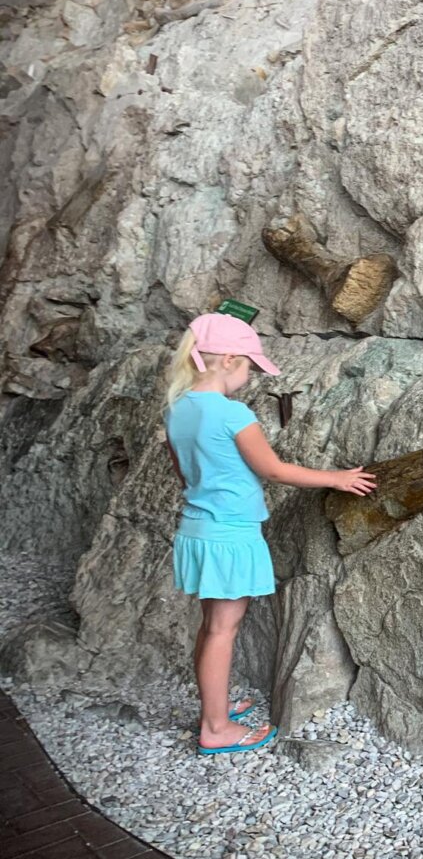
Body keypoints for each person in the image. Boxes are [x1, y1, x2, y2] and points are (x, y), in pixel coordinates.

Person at [163, 313, 376, 755]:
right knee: (224, 629)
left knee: (212, 626)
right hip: (230, 534)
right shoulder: (231, 414)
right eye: (249, 367)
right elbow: (273, 469)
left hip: (197, 529)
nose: (250, 376)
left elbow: (183, 474)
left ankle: (214, 708)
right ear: (227, 360)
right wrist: (335, 479)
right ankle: (216, 729)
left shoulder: (177, 407)